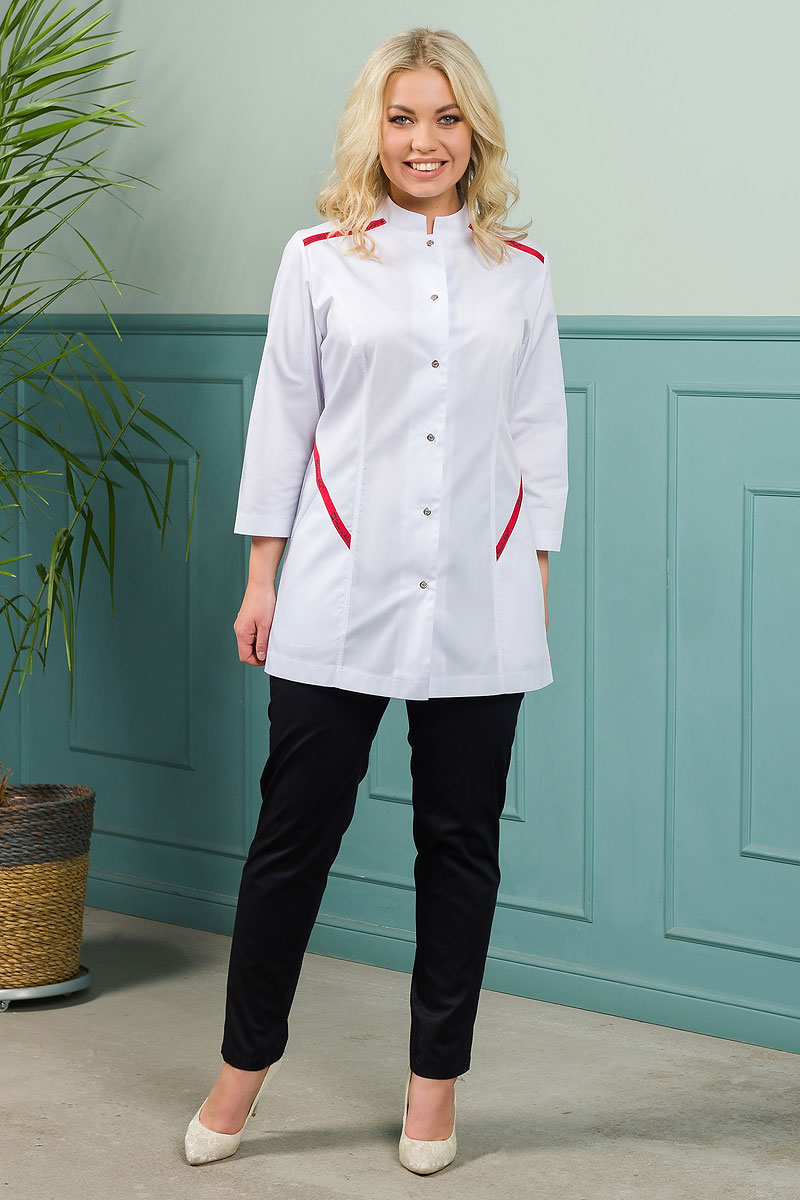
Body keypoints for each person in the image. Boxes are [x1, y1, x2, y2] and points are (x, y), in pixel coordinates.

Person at [184, 25, 568, 1175]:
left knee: (460, 845)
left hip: (480, 596)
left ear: (474, 133)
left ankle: (432, 1087)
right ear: (373, 130)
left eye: (445, 118)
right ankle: (241, 1069)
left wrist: (531, 581)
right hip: (335, 587)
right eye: (401, 118)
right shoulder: (317, 258)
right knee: (291, 840)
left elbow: (537, 436)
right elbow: (282, 420)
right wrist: (261, 575)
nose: (423, 140)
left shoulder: (520, 272)